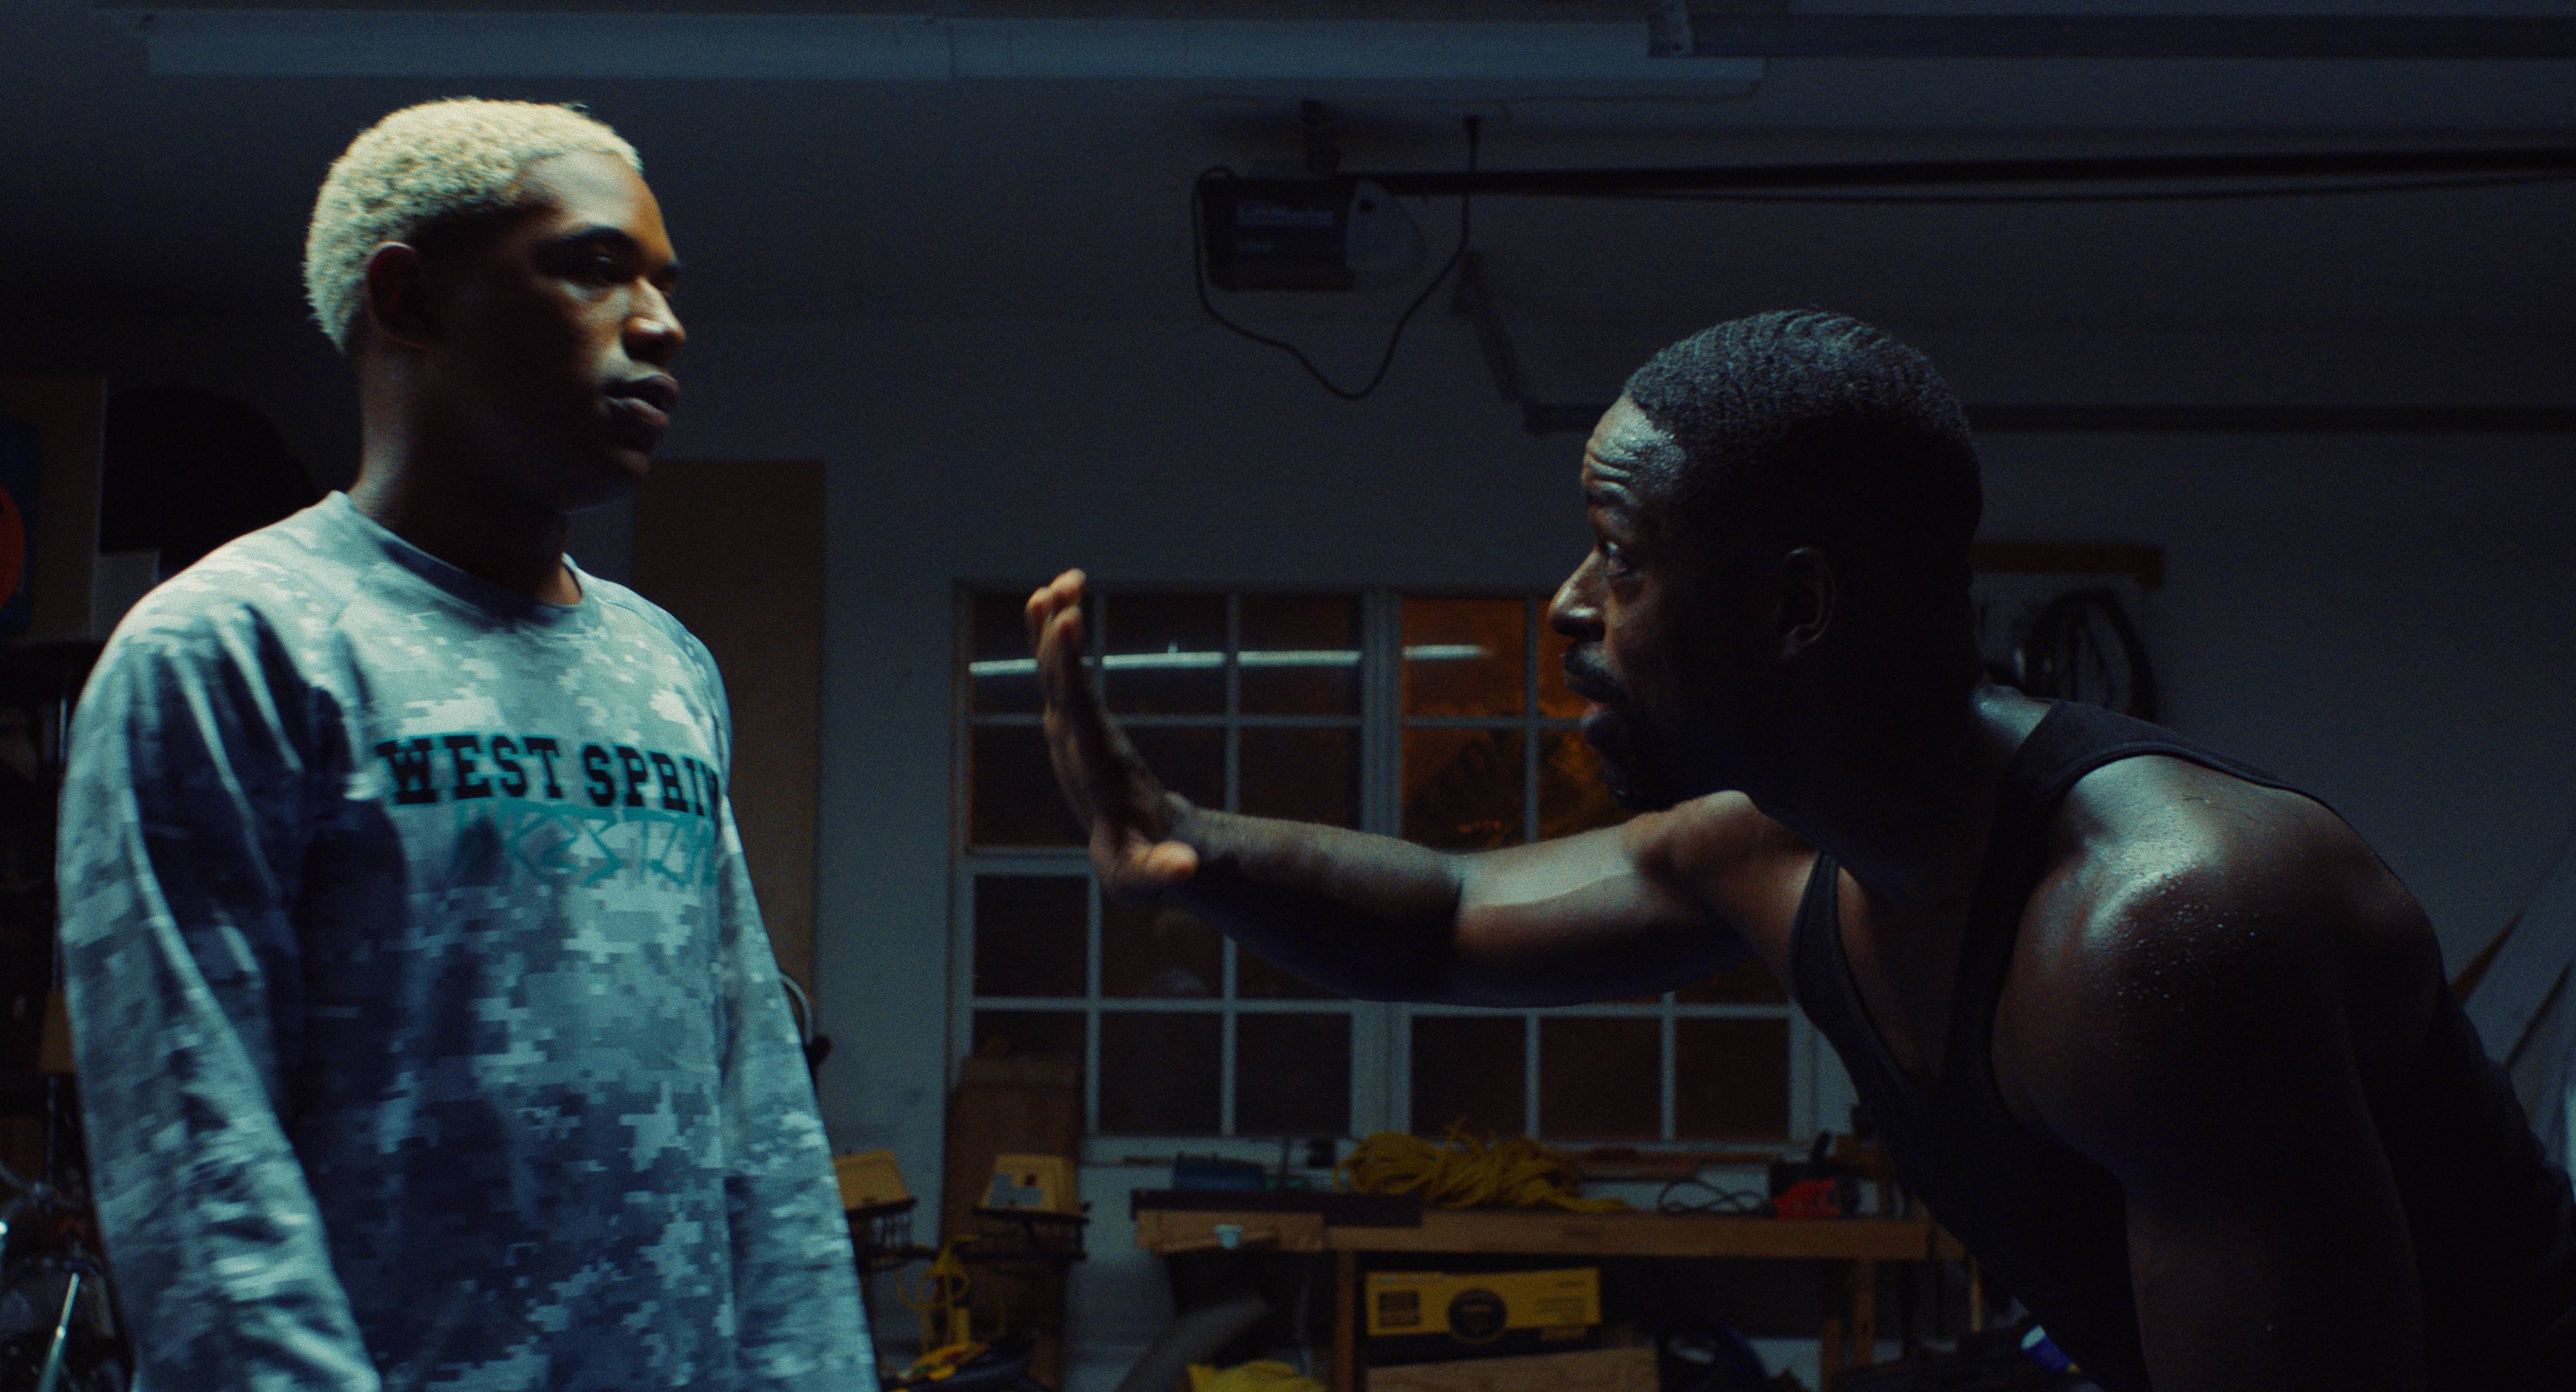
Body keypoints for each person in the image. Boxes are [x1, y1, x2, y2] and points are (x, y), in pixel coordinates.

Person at [1028, 311, 2576, 1391]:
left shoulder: (2152, 939)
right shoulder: (1781, 855)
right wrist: (1185, 844)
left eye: (1620, 557)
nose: (1567, 607)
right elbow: (1445, 917)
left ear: (1795, 608)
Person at [57, 99, 873, 1390]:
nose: (661, 324)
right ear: (412, 301)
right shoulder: (230, 651)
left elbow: (755, 1103)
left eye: (664, 284)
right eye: (596, 267)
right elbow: (203, 1186)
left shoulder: (663, 666)